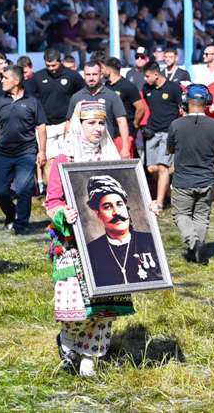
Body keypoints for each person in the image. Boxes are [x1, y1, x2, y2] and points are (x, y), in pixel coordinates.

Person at [45, 103, 132, 377]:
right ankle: (68, 343)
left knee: (104, 305)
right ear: (79, 125)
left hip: (108, 243)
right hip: (74, 242)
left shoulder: (112, 157)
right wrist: (63, 213)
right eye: (91, 123)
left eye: (101, 123)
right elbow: (52, 201)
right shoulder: (65, 158)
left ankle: (89, 359)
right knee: (78, 305)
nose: (97, 128)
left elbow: (129, 197)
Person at [167, 84, 214, 263]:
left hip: (183, 180)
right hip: (207, 180)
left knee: (180, 214)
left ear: (186, 102)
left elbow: (170, 149)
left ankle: (194, 244)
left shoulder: (176, 125)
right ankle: (198, 249)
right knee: (201, 216)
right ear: (207, 102)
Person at [0, 66, 47, 235]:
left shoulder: (32, 102)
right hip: (3, 153)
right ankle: (11, 214)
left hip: (26, 153)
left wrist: (42, 151)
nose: (2, 81)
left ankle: (21, 224)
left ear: (16, 81)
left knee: (24, 189)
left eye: (5, 78)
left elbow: (41, 127)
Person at [84, 174, 164, 284]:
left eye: (119, 204)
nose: (116, 212)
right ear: (98, 213)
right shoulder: (91, 251)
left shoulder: (152, 241)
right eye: (107, 207)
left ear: (126, 207)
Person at [141, 62, 184, 213]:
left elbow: (182, 108)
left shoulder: (173, 88)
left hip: (168, 132)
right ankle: (168, 193)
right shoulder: (146, 88)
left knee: (163, 167)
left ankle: (159, 203)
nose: (145, 79)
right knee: (151, 169)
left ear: (156, 74)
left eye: (147, 76)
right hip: (152, 132)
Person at [34, 49, 85, 169]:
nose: (51, 68)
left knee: (68, 159)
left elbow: (82, 95)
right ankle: (49, 182)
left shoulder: (72, 76)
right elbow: (32, 99)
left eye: (54, 65)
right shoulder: (38, 76)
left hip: (66, 124)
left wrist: (75, 118)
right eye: (48, 65)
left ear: (60, 61)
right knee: (47, 160)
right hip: (46, 126)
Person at [68, 60, 130, 157]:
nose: (91, 78)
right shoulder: (76, 97)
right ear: (84, 75)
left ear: (101, 75)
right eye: (88, 74)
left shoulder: (112, 96)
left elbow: (122, 121)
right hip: (82, 149)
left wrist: (125, 147)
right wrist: (68, 147)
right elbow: (69, 123)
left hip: (106, 146)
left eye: (94, 74)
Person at [103, 57, 145, 158]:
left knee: (124, 161)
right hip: (110, 131)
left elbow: (140, 108)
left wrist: (135, 124)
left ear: (108, 70)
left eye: (103, 69)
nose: (102, 71)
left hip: (124, 133)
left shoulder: (128, 86)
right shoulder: (106, 85)